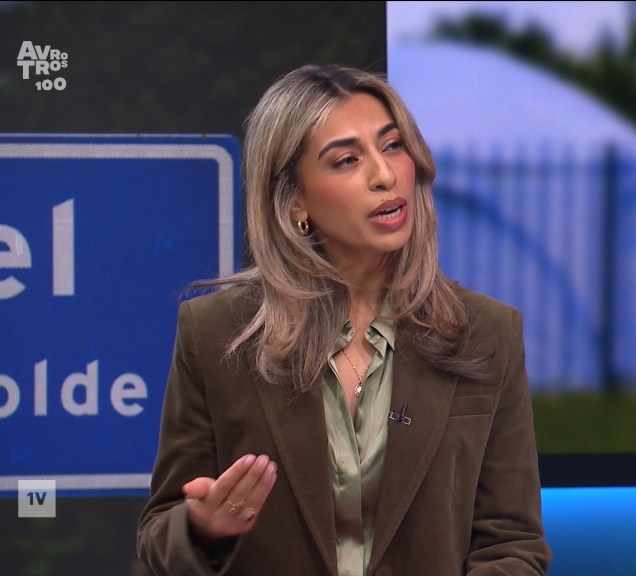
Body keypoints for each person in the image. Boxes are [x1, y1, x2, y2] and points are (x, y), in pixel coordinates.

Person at [136, 63, 551, 576]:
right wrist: (203, 528)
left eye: (393, 146)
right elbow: (157, 539)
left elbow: (512, 544)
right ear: (295, 202)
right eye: (347, 159)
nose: (384, 175)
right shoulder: (217, 334)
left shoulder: (487, 334)